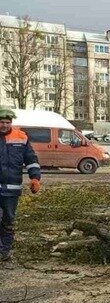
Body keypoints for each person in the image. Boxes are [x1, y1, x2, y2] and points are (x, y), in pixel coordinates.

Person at [0, 108, 41, 261]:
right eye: (2, 122)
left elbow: (31, 160)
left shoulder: (21, 137)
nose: (4, 125)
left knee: (8, 220)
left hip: (12, 190)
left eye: (7, 122)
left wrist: (35, 178)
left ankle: (5, 251)